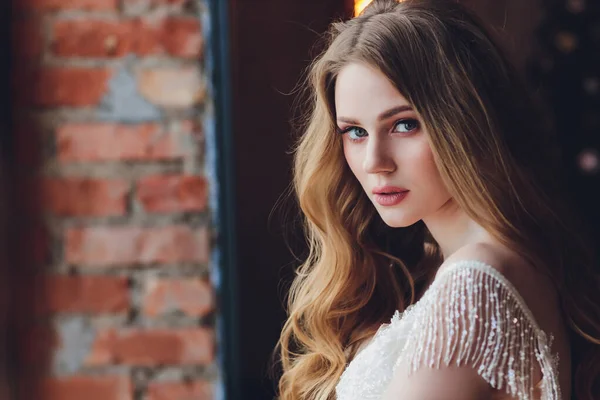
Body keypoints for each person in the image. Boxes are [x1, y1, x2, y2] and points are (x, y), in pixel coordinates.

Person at [274, 0, 600, 399]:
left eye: (404, 125)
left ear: (464, 121)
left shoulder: (476, 282)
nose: (374, 162)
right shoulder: (485, 263)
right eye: (355, 132)